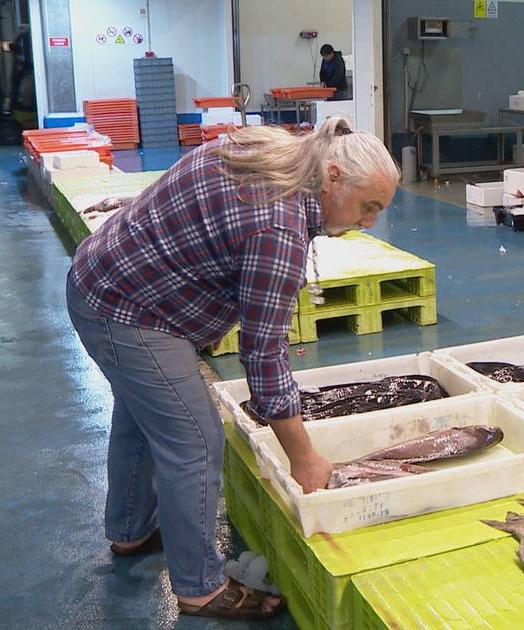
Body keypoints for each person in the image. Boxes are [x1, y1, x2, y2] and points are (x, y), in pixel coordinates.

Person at [66, 118, 399, 619]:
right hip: (131, 310)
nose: (368, 221)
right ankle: (200, 588)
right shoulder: (278, 225)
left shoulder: (273, 149)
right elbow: (263, 354)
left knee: (141, 417)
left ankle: (131, 532)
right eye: (367, 206)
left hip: (104, 278)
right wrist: (303, 456)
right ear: (332, 177)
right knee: (195, 440)